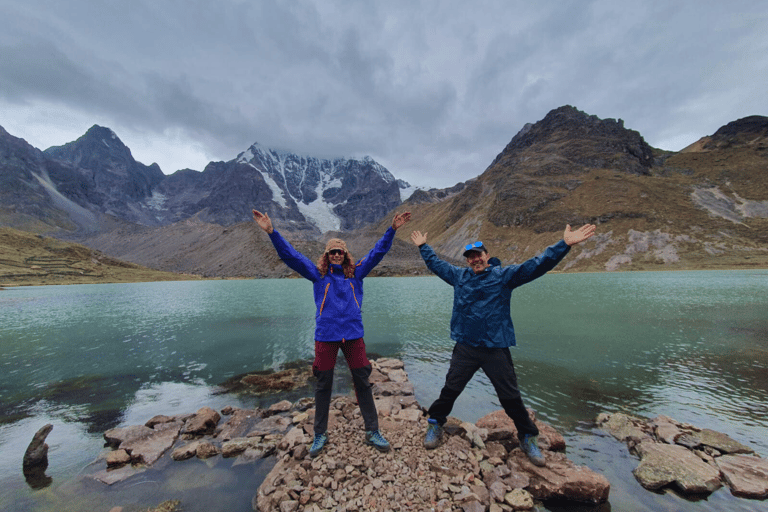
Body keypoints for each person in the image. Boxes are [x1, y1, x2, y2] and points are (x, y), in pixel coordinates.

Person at [409, 223, 596, 466]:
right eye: (471, 256)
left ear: (487, 256)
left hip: (495, 347)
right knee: (451, 389)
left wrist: (564, 245)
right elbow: (436, 264)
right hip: (466, 346)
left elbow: (537, 265)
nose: (475, 259)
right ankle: (435, 423)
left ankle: (528, 436)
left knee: (510, 397)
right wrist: (423, 247)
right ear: (467, 260)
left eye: (478, 255)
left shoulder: (504, 276)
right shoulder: (459, 276)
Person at [253, 208, 411, 458]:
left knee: (362, 380)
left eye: (340, 252)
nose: (336, 255)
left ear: (345, 255)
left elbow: (377, 253)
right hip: (326, 336)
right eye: (332, 252)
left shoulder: (356, 273)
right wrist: (272, 233)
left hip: (353, 335)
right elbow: (292, 257)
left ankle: (372, 431)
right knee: (323, 384)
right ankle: (320, 434)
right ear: (327, 256)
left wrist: (392, 230)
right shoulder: (318, 275)